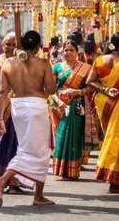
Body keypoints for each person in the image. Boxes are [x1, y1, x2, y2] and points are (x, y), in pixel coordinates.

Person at [0, 30, 57, 206]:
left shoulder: (7, 63)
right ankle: (3, 180)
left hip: (18, 108)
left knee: (28, 148)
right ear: (37, 47)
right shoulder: (43, 63)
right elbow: (52, 90)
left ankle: (39, 195)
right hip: (36, 108)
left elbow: (3, 93)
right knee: (37, 151)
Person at [86, 32, 119, 193]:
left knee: (111, 137)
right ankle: (116, 181)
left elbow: (90, 82)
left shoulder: (99, 60)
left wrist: (105, 89)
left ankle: (112, 178)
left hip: (103, 102)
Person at [0, 33, 23, 193]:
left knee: (18, 143)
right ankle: (6, 179)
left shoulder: (23, 62)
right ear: (2, 44)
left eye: (14, 45)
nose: (10, 48)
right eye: (8, 44)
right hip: (0, 105)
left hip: (19, 105)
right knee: (5, 141)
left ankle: (12, 180)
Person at [50, 40, 93, 180]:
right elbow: (50, 88)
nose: (68, 53)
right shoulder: (56, 67)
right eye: (66, 50)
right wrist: (58, 101)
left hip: (76, 106)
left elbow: (91, 87)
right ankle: (61, 169)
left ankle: (72, 170)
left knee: (74, 136)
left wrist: (78, 92)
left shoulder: (85, 68)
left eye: (71, 50)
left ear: (77, 53)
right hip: (59, 106)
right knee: (61, 135)